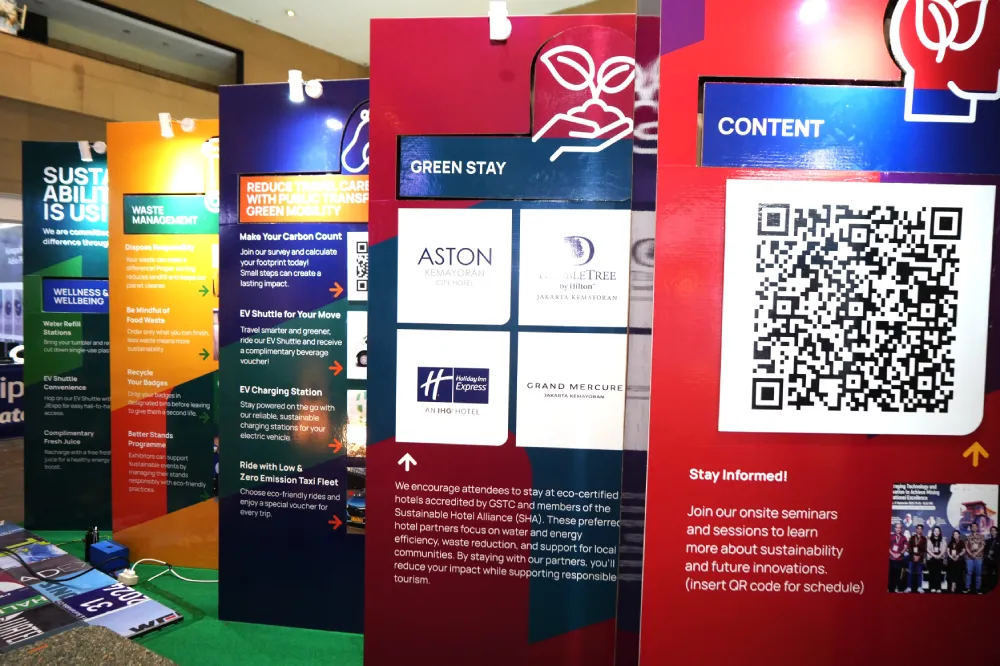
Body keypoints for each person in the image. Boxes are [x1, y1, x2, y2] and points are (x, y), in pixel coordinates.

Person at [965, 522, 986, 594]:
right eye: (972, 526)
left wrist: (976, 553)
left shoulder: (982, 536)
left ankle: (978, 589)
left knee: (978, 573)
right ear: (971, 528)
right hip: (969, 557)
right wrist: (971, 554)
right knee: (969, 573)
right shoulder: (968, 537)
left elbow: (983, 546)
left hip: (979, 557)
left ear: (977, 527)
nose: (974, 528)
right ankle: (967, 588)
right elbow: (966, 547)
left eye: (975, 526)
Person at [926, 525, 946, 593]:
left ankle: (938, 587)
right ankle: (932, 587)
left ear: (940, 532)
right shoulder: (929, 539)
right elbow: (927, 549)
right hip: (931, 558)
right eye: (935, 531)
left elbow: (944, 548)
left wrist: (939, 555)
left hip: (940, 558)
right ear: (933, 532)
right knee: (932, 573)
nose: (936, 532)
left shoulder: (942, 539)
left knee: (938, 573)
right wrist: (934, 555)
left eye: (938, 531)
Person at [908, 524, 928, 592]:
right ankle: (909, 587)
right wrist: (913, 556)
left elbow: (924, 549)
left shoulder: (924, 539)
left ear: (922, 530)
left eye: (920, 529)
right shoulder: (912, 537)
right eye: (918, 528)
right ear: (916, 529)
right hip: (912, 558)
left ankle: (919, 587)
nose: (919, 530)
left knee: (919, 573)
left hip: (920, 558)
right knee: (910, 572)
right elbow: (909, 547)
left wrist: (919, 556)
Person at [889, 521, 907, 592]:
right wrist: (893, 554)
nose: (898, 529)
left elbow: (905, 547)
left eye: (900, 528)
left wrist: (899, 554)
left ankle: (897, 587)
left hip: (899, 559)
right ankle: (891, 588)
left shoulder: (904, 537)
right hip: (891, 558)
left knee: (898, 574)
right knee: (891, 574)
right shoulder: (891, 536)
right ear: (894, 528)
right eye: (897, 528)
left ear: (901, 529)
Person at [985, 525, 998, 593]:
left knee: (997, 575)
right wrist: (988, 555)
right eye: (991, 531)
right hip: (989, 560)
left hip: (997, 560)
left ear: (997, 532)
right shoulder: (988, 541)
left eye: (994, 530)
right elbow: (985, 550)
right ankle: (989, 588)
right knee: (989, 574)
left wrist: (994, 556)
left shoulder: (998, 540)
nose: (992, 532)